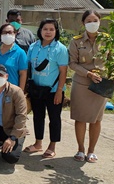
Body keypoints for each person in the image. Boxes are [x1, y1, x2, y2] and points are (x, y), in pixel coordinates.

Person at [24, 18, 68, 158]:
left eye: (51, 29)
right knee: (38, 116)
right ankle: (38, 143)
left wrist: (60, 91)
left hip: (54, 90)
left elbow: (63, 71)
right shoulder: (33, 47)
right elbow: (29, 67)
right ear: (40, 31)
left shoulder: (60, 49)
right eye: (45, 29)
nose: (48, 32)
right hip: (37, 89)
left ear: (56, 31)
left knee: (54, 118)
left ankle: (52, 145)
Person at [69, 10, 108, 163]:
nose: (92, 23)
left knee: (96, 119)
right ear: (83, 23)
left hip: (101, 84)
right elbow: (72, 63)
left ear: (99, 21)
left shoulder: (107, 40)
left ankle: (91, 151)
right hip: (82, 83)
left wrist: (113, 77)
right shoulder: (76, 41)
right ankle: (80, 149)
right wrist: (88, 74)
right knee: (80, 118)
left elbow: (113, 61)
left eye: (95, 20)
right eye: (89, 21)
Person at [0, 23, 28, 90]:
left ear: (15, 34)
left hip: (12, 91)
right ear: (0, 35)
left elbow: (23, 74)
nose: (7, 35)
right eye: (4, 32)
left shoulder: (20, 53)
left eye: (10, 32)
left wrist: (20, 92)